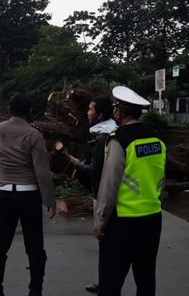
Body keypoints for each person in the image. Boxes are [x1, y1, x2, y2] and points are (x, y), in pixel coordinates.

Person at [0, 94, 56, 296]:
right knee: (35, 246)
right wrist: (50, 200)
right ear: (28, 112)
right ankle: (35, 291)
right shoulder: (33, 134)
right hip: (29, 196)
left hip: (4, 195)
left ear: (9, 109)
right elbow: (42, 171)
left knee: (0, 244)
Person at [94, 86, 166, 296]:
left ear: (120, 112)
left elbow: (109, 184)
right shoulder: (157, 139)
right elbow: (160, 179)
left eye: (116, 108)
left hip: (123, 221)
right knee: (145, 277)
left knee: (110, 281)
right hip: (152, 218)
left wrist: (100, 221)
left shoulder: (119, 139)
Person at [68, 95, 117, 293]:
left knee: (104, 240)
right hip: (114, 194)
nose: (88, 112)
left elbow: (96, 171)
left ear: (100, 114)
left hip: (103, 194)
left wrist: (76, 164)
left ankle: (106, 284)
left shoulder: (102, 138)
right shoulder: (113, 133)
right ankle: (107, 281)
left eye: (90, 109)